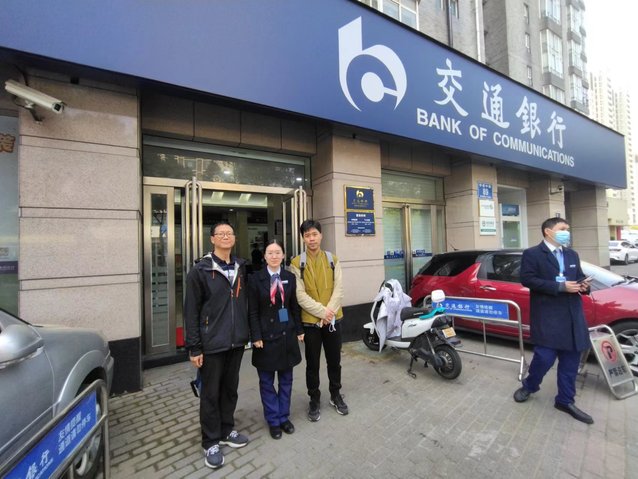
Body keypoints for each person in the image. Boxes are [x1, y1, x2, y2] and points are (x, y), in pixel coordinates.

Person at [513, 217, 594, 424]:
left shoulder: (571, 254)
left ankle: (565, 401)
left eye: (567, 228)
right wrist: (559, 287)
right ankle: (530, 386)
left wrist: (584, 286)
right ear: (548, 232)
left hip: (572, 317)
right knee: (544, 358)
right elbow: (527, 279)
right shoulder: (532, 254)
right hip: (548, 316)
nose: (567, 232)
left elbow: (579, 276)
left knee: (570, 363)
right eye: (562, 228)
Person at [184, 221, 250, 470]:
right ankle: (210, 442)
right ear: (212, 239)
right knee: (210, 394)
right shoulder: (200, 270)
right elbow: (191, 312)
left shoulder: (240, 267)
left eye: (229, 233)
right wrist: (194, 347)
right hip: (211, 343)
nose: (225, 236)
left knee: (230, 390)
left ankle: (226, 430)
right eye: (220, 233)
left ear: (234, 238)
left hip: (236, 341)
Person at [289, 219, 347, 421]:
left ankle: (335, 394)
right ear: (303, 238)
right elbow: (299, 295)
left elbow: (339, 289)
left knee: (335, 361)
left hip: (333, 321)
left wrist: (329, 314)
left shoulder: (333, 259)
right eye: (307, 235)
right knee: (312, 364)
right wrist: (324, 313)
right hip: (311, 323)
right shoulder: (297, 263)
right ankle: (314, 399)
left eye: (314, 234)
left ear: (321, 235)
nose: (311, 239)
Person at [247, 240, 304, 439]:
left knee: (286, 380)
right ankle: (273, 420)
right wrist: (255, 336)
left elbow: (294, 306)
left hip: (286, 334)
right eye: (270, 253)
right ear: (264, 256)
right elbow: (252, 311)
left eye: (277, 252)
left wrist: (299, 330)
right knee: (266, 382)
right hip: (265, 337)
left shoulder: (289, 277)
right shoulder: (255, 279)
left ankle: (283, 417)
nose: (274, 256)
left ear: (283, 255)